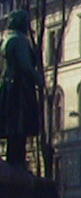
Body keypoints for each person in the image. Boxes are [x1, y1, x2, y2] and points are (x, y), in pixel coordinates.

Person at [0, 10, 41, 170]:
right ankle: (18, 162)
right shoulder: (19, 41)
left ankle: (12, 161)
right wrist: (38, 78)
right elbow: (25, 65)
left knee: (12, 127)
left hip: (7, 87)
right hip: (19, 88)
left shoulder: (5, 40)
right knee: (20, 125)